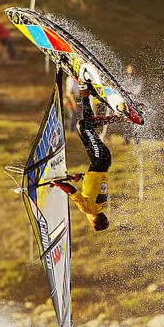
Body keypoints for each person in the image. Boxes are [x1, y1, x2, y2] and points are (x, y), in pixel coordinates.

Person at [47, 70, 113, 232]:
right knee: (82, 126)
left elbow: (95, 184)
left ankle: (85, 92)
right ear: (93, 220)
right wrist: (57, 184)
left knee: (87, 126)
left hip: (102, 161)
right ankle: (117, 117)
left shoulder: (102, 204)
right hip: (98, 160)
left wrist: (80, 176)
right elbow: (72, 191)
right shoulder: (89, 209)